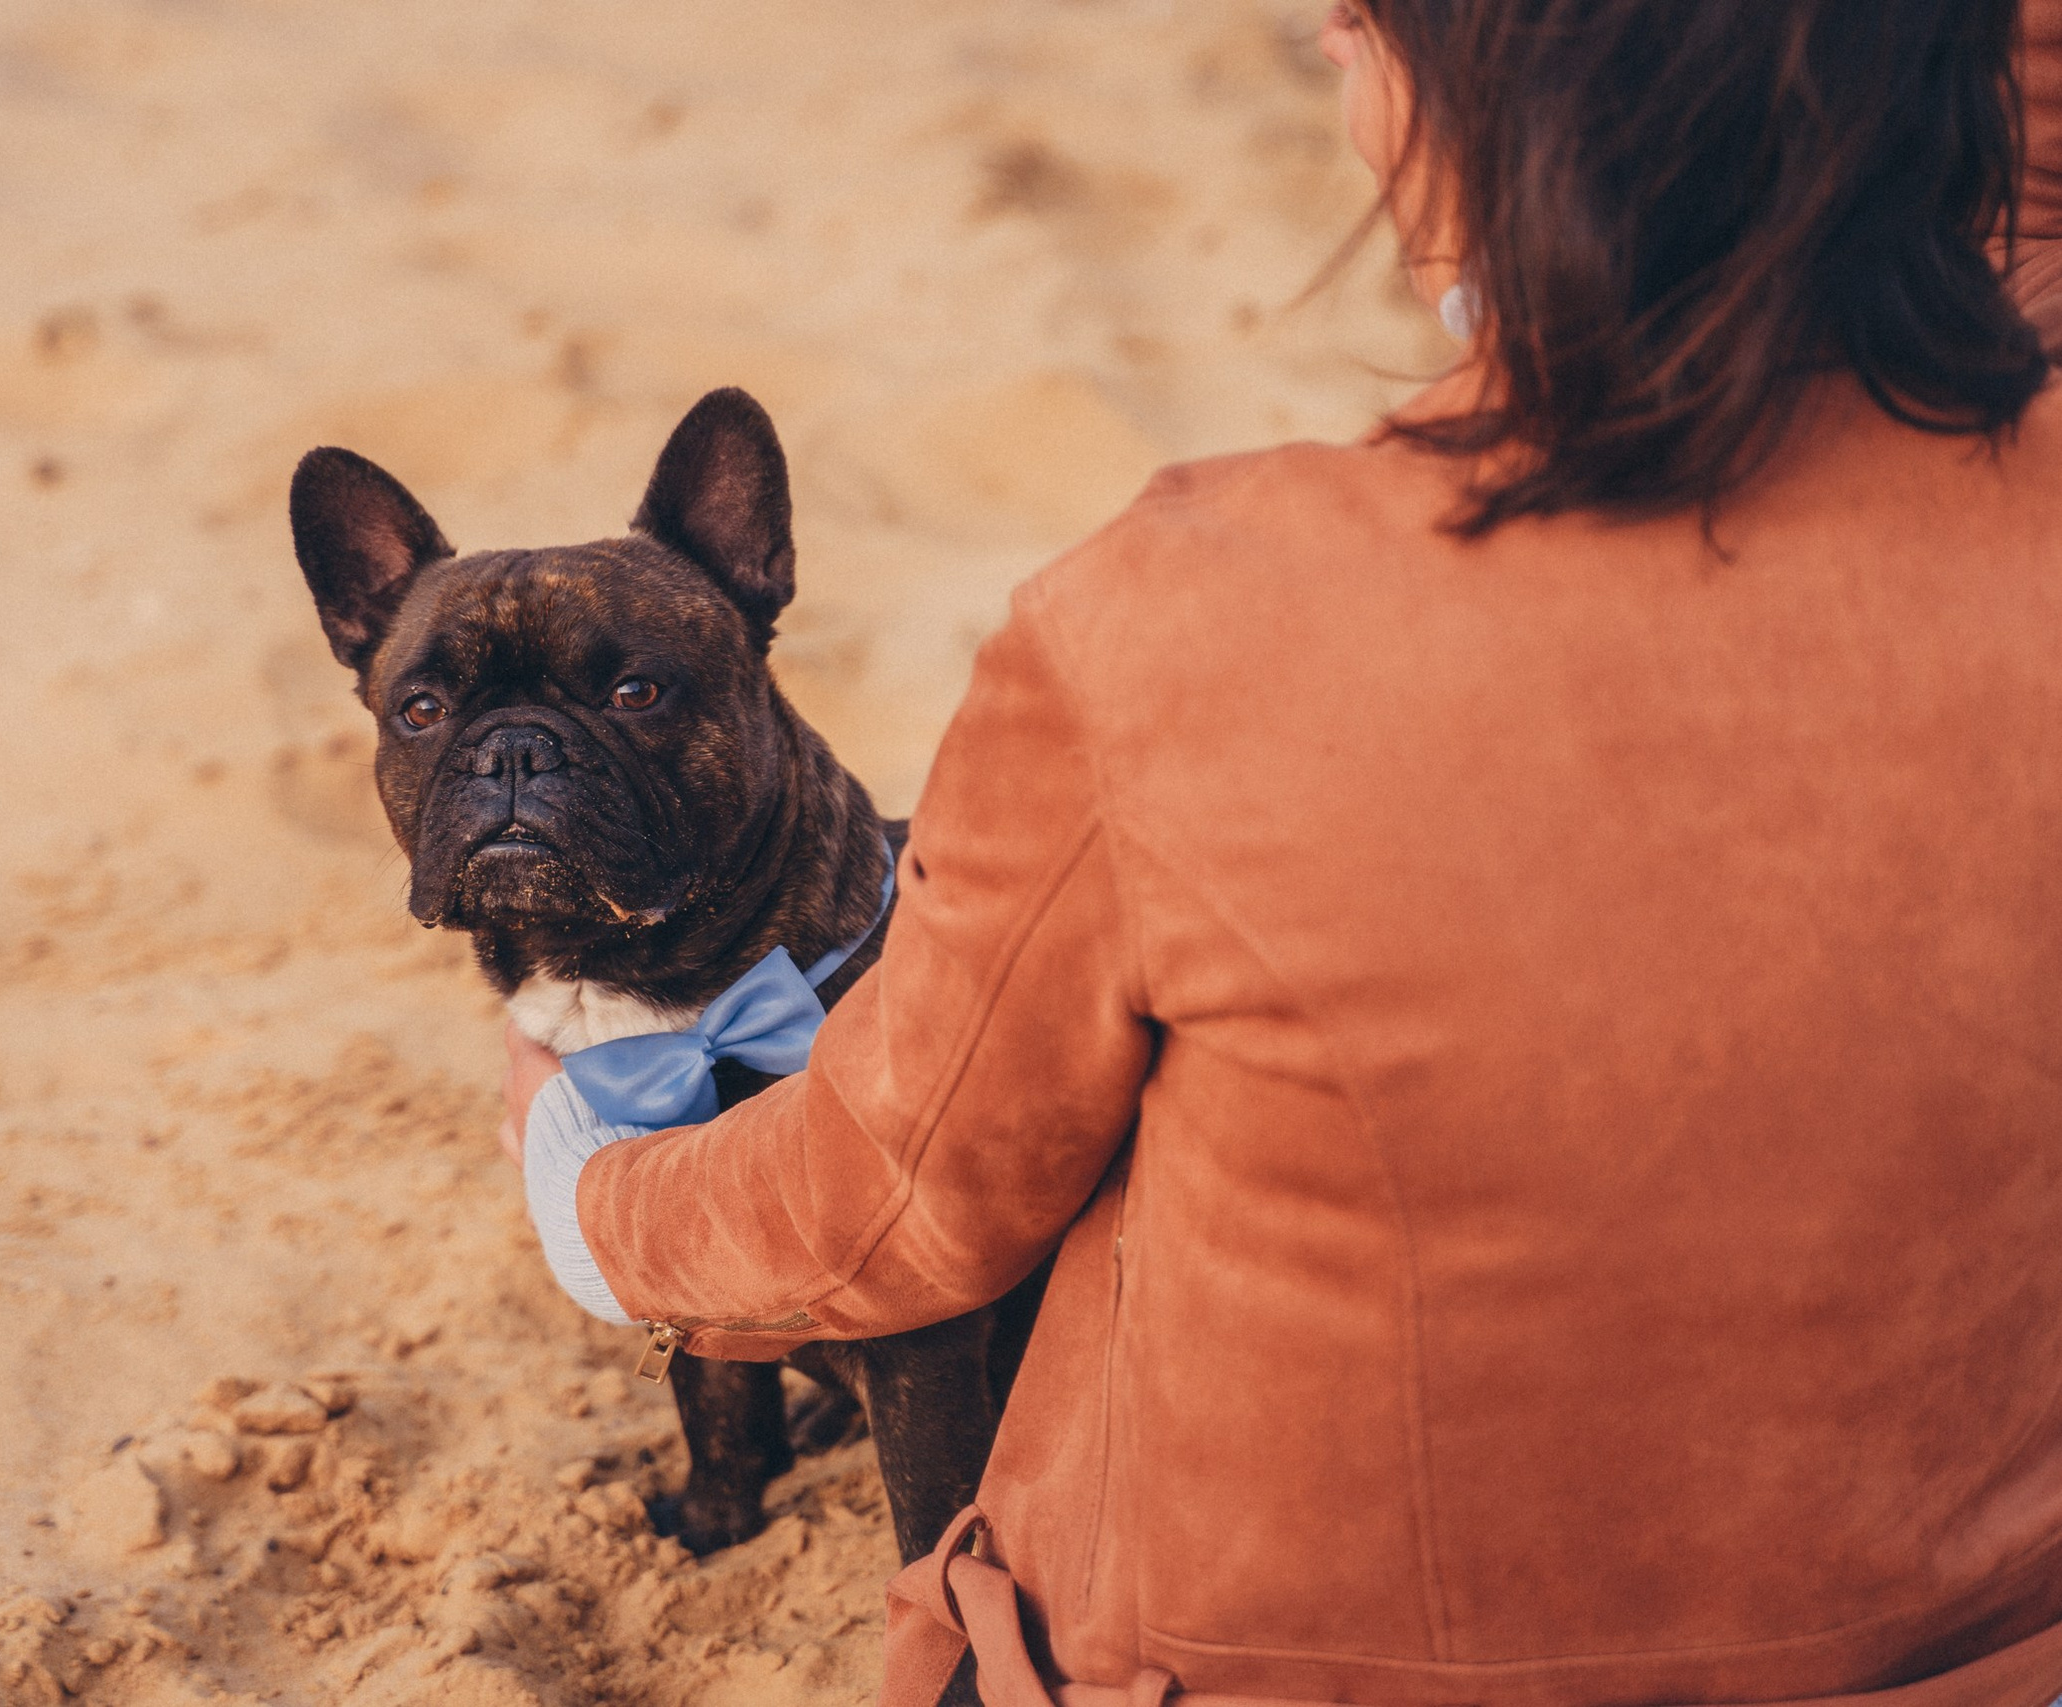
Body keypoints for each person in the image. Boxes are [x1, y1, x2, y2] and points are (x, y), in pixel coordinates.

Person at [506, 1, 2062, 1703]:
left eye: (1364, 24)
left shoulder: (1183, 621)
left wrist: (592, 1190)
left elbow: (896, 1206)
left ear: (1494, 108)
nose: (1328, 45)